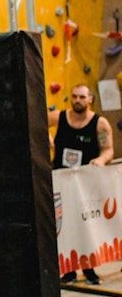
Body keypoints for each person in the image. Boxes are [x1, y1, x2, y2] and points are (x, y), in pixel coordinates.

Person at [48, 83, 114, 285]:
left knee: (87, 226)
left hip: (86, 185)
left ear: (90, 99)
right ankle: (68, 271)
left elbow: (108, 150)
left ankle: (89, 269)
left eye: (82, 97)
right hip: (61, 182)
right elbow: (33, 121)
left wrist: (101, 160)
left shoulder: (100, 123)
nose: (78, 100)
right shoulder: (59, 117)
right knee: (63, 226)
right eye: (74, 96)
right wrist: (48, 139)